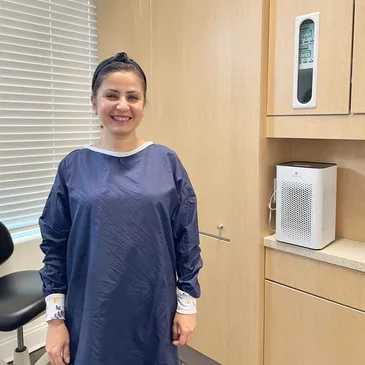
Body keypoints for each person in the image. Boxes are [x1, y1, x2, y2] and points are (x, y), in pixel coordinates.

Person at [39, 52, 203, 365]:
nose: (122, 106)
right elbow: (54, 245)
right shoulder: (73, 167)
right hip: (91, 311)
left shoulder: (166, 162)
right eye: (111, 95)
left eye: (133, 97)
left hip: (153, 307)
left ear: (144, 104)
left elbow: (187, 239)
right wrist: (56, 322)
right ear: (94, 101)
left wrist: (187, 304)